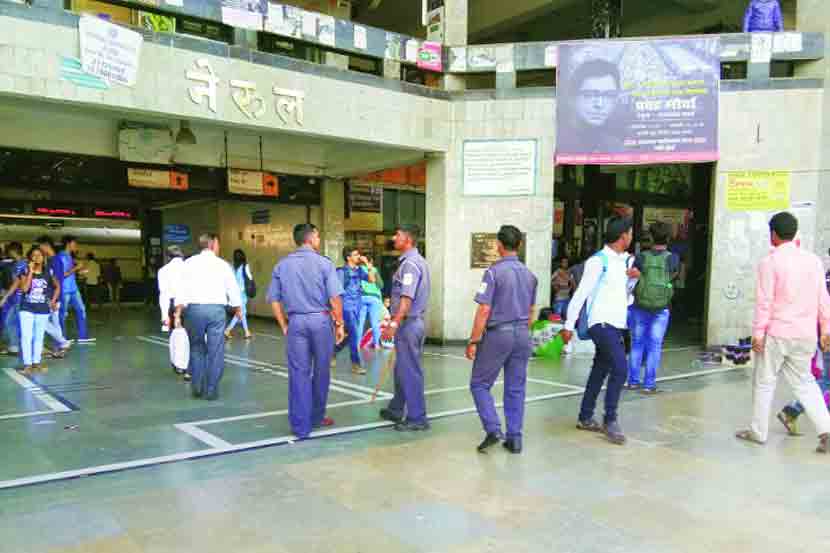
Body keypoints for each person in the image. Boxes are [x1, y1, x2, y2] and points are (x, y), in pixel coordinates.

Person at [736, 212, 830, 454]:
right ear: (795, 233)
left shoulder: (769, 263)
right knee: (806, 383)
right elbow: (823, 299)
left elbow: (764, 302)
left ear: (773, 234)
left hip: (777, 333)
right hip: (806, 335)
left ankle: (758, 432)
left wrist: (758, 334)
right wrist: (826, 329)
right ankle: (826, 431)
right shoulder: (813, 261)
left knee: (764, 382)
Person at [560, 217, 640, 445]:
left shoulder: (626, 261)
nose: (631, 237)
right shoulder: (598, 261)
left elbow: (627, 296)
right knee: (620, 368)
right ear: (623, 236)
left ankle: (585, 416)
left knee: (600, 368)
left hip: (617, 323)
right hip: (600, 323)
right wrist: (568, 325)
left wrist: (633, 280)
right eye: (630, 233)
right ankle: (610, 419)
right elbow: (581, 294)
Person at [267, 224, 345, 440]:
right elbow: (335, 298)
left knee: (298, 373)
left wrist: (284, 325)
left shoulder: (282, 265)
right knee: (321, 371)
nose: (319, 240)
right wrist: (340, 324)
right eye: (318, 236)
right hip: (321, 321)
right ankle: (317, 417)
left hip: (296, 323)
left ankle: (301, 426)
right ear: (311, 239)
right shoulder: (324, 264)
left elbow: (274, 300)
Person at [465, 225, 537, 454]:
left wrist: (474, 340)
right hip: (523, 333)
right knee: (516, 388)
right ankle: (515, 439)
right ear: (520, 245)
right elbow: (532, 310)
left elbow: (484, 310)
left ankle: (493, 429)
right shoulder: (530, 275)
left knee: (479, 384)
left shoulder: (493, 273)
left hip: (498, 334)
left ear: (498, 245)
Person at [173, 234, 242, 401]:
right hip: (216, 311)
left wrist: (178, 312)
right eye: (218, 244)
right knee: (215, 350)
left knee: (196, 348)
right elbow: (232, 289)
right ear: (213, 244)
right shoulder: (222, 265)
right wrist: (237, 307)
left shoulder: (188, 263)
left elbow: (180, 289)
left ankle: (197, 387)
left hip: (194, 310)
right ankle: (211, 390)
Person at [380, 225, 432, 432]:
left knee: (409, 370)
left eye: (398, 235)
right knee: (402, 368)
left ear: (408, 239)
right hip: (410, 322)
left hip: (408, 323)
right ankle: (396, 408)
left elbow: (406, 298)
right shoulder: (415, 261)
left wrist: (394, 323)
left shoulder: (410, 264)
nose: (394, 238)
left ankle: (417, 418)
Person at [626, 221, 680, 394]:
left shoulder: (640, 257)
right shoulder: (673, 258)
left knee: (637, 343)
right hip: (661, 308)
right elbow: (673, 279)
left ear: (650, 237)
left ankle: (633, 381)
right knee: (654, 346)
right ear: (668, 238)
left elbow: (632, 280)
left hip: (639, 306)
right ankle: (649, 384)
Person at [558, 59, 623, 155]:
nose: (599, 104)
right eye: (589, 95)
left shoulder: (614, 146)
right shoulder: (557, 142)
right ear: (572, 97)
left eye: (609, 95)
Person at [18, 247, 61, 374]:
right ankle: (27, 364)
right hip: (27, 308)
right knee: (26, 336)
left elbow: (57, 287)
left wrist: (53, 301)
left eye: (40, 255)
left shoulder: (49, 271)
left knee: (39, 337)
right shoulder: (24, 271)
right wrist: (31, 272)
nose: (37, 257)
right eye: (34, 255)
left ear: (44, 257)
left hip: (43, 309)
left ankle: (36, 363)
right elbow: (25, 289)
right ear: (30, 258)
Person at [35, 237, 73, 358]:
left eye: (40, 247)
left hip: (53, 297)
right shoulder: (52, 260)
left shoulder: (55, 261)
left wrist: (54, 299)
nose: (40, 250)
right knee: (55, 324)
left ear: (46, 246)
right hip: (53, 297)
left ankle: (62, 342)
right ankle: (61, 346)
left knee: (42, 321)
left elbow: (57, 282)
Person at [336, 248, 371, 375]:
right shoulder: (342, 272)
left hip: (357, 306)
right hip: (347, 307)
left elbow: (372, 280)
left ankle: (333, 351)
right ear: (348, 257)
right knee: (355, 335)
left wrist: (368, 265)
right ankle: (356, 364)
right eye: (355, 254)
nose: (358, 256)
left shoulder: (359, 270)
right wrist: (337, 313)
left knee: (351, 335)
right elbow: (338, 293)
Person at [158, 245, 187, 376]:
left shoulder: (163, 270)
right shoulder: (189, 268)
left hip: (172, 305)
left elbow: (163, 294)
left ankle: (177, 364)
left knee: (175, 336)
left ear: (168, 257)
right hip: (189, 305)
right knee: (188, 336)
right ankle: (188, 364)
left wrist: (164, 316)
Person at [57, 236, 92, 343]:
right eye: (74, 244)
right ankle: (62, 338)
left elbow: (71, 271)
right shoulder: (62, 256)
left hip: (73, 288)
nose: (76, 246)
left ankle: (83, 337)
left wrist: (79, 271)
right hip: (65, 289)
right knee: (62, 314)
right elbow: (62, 274)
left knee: (81, 310)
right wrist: (76, 268)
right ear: (68, 244)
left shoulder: (69, 256)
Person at [0, 242, 27, 357]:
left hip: (20, 298)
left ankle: (18, 346)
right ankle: (14, 346)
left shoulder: (21, 265)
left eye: (9, 251)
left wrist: (5, 297)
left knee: (13, 321)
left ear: (13, 251)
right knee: (10, 321)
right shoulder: (20, 263)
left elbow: (17, 283)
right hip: (18, 297)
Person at [225, 249, 254, 340]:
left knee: (242, 312)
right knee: (241, 312)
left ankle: (247, 332)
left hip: (234, 292)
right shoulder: (245, 265)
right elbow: (250, 277)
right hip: (242, 292)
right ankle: (227, 330)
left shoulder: (232, 266)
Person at [358, 254, 384, 350]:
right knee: (375, 322)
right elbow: (381, 285)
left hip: (362, 297)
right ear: (371, 261)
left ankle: (357, 345)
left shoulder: (359, 269)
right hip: (374, 298)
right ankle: (377, 345)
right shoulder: (374, 270)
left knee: (360, 322)